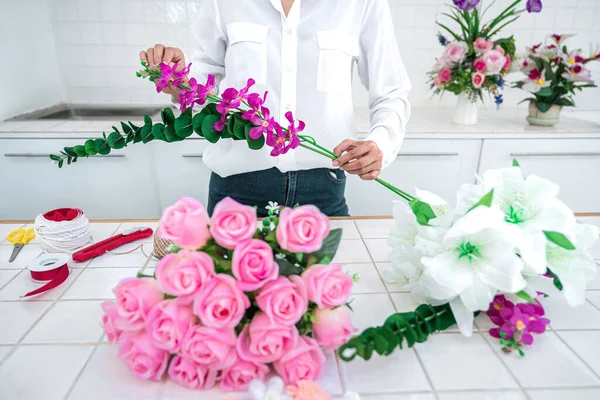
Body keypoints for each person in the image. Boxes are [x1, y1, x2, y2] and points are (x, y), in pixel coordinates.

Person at [140, 0, 411, 217]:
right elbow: (205, 78)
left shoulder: (362, 4)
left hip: (324, 191)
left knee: (324, 285)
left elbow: (391, 91)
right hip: (237, 192)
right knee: (230, 286)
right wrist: (178, 80)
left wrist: (380, 144)